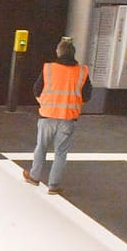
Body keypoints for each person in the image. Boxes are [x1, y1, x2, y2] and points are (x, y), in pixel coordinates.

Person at [26, 39, 93, 193]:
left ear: (59, 52)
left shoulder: (49, 69)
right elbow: (87, 95)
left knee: (41, 147)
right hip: (69, 118)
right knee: (61, 153)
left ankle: (34, 176)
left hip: (47, 116)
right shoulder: (82, 71)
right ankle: (53, 186)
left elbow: (37, 89)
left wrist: (43, 102)